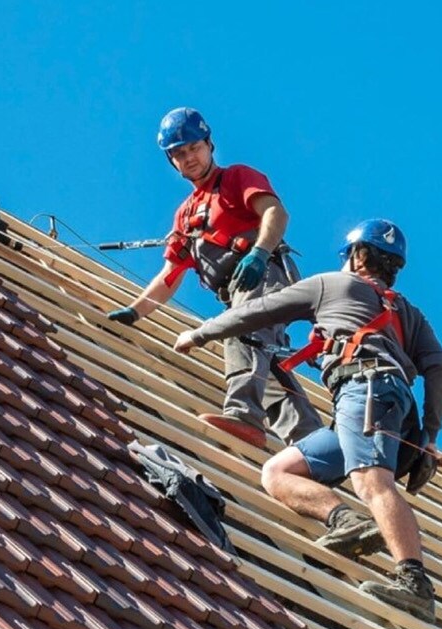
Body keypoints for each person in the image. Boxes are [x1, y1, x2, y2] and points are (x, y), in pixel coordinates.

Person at [172, 219, 442, 622]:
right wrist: (429, 433)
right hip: (383, 404)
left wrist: (201, 333)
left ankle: (415, 584)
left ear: (357, 256)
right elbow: (440, 366)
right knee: (278, 470)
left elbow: (259, 310)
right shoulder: (409, 313)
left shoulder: (331, 285)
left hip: (366, 389)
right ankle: (346, 521)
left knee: (372, 483)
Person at [106, 107, 322, 448]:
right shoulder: (186, 215)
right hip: (237, 289)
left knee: (240, 326)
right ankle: (313, 443)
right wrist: (134, 312)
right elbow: (169, 276)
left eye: (194, 147)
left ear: (209, 145)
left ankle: (243, 416)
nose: (189, 157)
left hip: (263, 274)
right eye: (179, 153)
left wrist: (260, 252)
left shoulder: (236, 177)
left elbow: (275, 212)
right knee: (269, 364)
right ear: (171, 161)